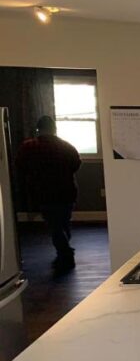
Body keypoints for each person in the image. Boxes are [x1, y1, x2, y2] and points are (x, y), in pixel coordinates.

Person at [16, 116, 82, 271]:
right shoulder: (66, 146)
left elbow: (20, 166)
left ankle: (65, 254)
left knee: (55, 225)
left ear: (39, 129)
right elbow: (76, 164)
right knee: (63, 223)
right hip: (67, 191)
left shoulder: (29, 147)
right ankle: (64, 252)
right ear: (54, 129)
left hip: (44, 192)